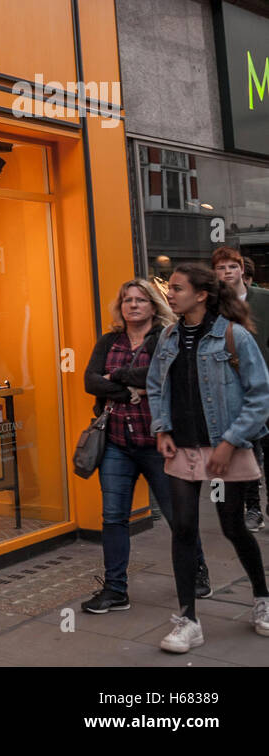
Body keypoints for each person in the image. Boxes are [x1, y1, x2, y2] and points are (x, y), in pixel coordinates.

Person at [146, 263, 269, 651]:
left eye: (178, 288)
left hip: (223, 445)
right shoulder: (168, 336)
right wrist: (162, 428)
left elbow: (260, 394)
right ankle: (188, 620)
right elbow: (155, 386)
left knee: (233, 526)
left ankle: (262, 599)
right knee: (183, 528)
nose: (171, 293)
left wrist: (231, 442)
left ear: (201, 295)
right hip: (183, 447)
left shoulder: (233, 336)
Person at [81, 280, 209, 612]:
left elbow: (161, 376)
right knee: (113, 517)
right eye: (127, 300)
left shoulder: (166, 338)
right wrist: (128, 391)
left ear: (153, 305)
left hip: (160, 444)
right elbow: (90, 380)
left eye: (140, 300)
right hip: (117, 445)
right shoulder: (109, 341)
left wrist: (118, 376)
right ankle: (115, 589)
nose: (133, 305)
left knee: (177, 515)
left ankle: (197, 573)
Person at [212, 245, 269, 532]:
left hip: (264, 385)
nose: (227, 272)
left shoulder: (263, 299)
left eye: (231, 267)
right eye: (221, 268)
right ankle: (253, 509)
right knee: (247, 450)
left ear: (242, 270)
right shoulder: (213, 305)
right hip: (231, 388)